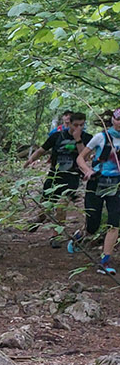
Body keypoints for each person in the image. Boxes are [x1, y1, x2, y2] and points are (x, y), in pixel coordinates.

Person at [77, 108, 120, 273]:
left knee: (114, 222)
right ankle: (79, 236)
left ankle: (105, 261)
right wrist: (87, 170)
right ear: (113, 120)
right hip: (97, 182)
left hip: (116, 185)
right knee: (93, 225)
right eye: (118, 119)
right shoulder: (101, 137)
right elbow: (80, 158)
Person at [29, 111, 88, 216]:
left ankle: (59, 226)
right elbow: (41, 150)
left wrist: (78, 139)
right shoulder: (57, 136)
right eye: (75, 125)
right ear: (69, 124)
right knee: (46, 201)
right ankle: (40, 218)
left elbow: (85, 157)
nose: (78, 128)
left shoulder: (87, 137)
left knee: (62, 204)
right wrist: (31, 160)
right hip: (55, 173)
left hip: (72, 175)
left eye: (81, 125)